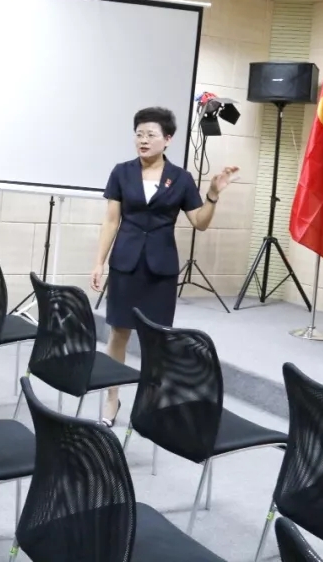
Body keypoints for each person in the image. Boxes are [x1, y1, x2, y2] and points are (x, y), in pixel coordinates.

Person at [89, 107, 238, 427]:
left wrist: (212, 195)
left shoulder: (181, 178)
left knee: (155, 339)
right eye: (139, 134)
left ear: (168, 139)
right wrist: (98, 262)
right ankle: (112, 398)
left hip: (161, 267)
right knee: (118, 332)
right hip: (126, 263)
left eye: (151, 135)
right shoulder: (121, 172)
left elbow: (199, 222)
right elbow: (111, 220)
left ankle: (149, 400)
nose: (143, 140)